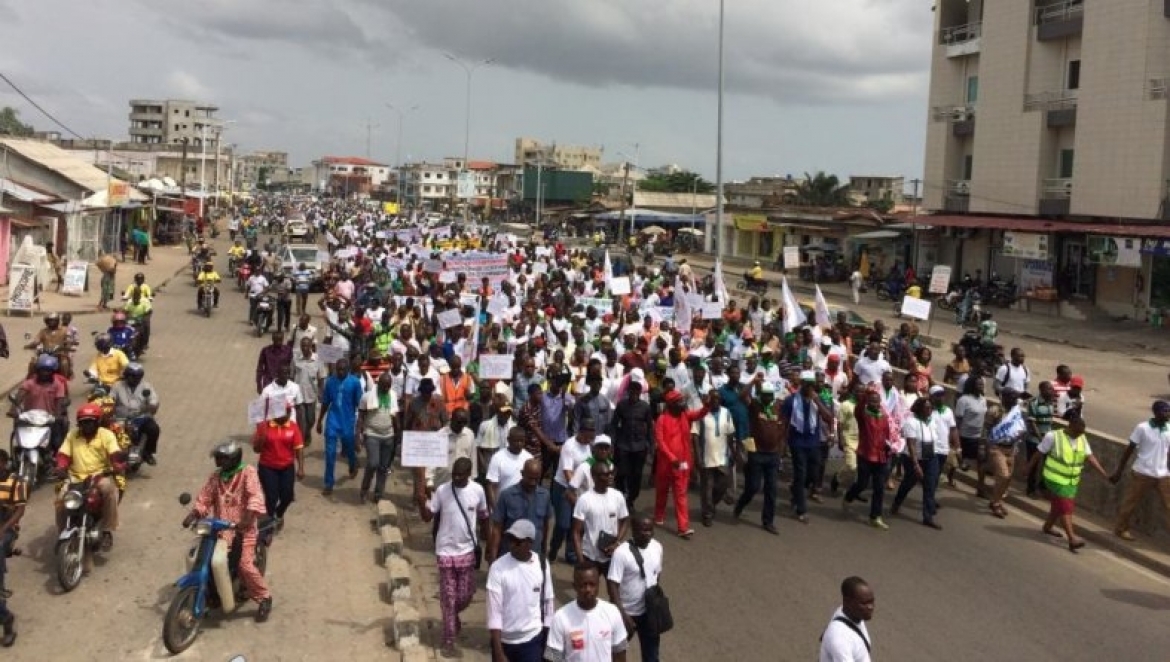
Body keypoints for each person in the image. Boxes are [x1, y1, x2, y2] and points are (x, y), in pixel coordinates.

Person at [183, 441, 273, 622]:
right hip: (218, 530)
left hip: (243, 530)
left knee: (244, 565)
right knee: (199, 559)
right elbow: (205, 497)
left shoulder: (248, 472)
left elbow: (255, 495)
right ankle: (212, 593)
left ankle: (264, 597)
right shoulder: (216, 477)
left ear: (233, 458)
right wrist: (194, 513)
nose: (218, 462)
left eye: (222, 458)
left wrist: (247, 518)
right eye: (218, 459)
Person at [418, 457, 488, 658]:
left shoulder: (478, 491)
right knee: (448, 598)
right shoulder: (442, 491)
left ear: (468, 474)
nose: (456, 478)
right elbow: (427, 517)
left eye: (460, 475)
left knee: (465, 595)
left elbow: (484, 518)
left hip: (467, 550)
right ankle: (448, 640)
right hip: (445, 551)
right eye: (454, 474)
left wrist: (489, 543)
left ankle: (452, 616)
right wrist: (422, 501)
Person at [1025, 415, 1108, 552]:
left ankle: (1048, 526)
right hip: (1054, 478)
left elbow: (1090, 457)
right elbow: (1038, 453)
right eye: (1076, 432)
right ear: (1069, 426)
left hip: (1071, 480)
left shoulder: (1081, 438)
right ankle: (1072, 538)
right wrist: (1028, 468)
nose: (1078, 435)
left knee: (1059, 505)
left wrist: (1103, 474)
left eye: (1081, 433)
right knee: (1065, 508)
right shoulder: (1053, 436)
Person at [54, 403, 124, 547]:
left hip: (99, 476)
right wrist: (60, 467)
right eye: (84, 422)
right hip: (75, 477)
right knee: (61, 501)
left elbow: (115, 453)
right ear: (79, 423)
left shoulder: (106, 435)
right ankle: (62, 532)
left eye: (90, 422)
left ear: (97, 422)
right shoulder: (72, 435)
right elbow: (63, 455)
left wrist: (117, 464)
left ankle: (106, 530)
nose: (87, 425)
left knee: (109, 491)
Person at [486, 519, 554, 662]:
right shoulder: (498, 568)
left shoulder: (541, 565)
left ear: (529, 542)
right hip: (505, 642)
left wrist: (548, 638)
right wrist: (498, 651)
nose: (512, 544)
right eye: (510, 539)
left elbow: (548, 602)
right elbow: (494, 612)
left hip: (532, 640)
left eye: (517, 541)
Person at [1111, 400, 1170, 542]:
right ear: (1156, 412)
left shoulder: (1169, 428)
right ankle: (1121, 529)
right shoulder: (1142, 428)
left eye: (1169, 411)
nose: (1168, 414)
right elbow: (1129, 449)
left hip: (1163, 474)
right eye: (1165, 411)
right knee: (1131, 502)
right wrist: (1119, 470)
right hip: (1143, 472)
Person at [606, 515, 662, 662]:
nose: (648, 533)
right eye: (644, 530)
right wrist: (623, 615)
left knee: (652, 656)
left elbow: (657, 575)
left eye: (650, 530)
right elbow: (612, 585)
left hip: (649, 613)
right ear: (634, 530)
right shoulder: (621, 553)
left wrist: (655, 603)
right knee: (615, 654)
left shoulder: (657, 547)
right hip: (627, 613)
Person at [547, 564, 629, 662]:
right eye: (583, 585)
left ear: (598, 584)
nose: (588, 589)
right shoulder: (560, 617)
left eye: (592, 584)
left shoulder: (612, 612)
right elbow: (552, 657)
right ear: (574, 586)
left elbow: (619, 653)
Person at [734, 379, 786, 535]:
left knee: (772, 489)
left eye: (770, 396)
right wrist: (754, 382)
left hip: (773, 454)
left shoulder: (778, 407)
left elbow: (782, 430)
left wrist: (781, 451)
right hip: (756, 452)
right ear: (760, 395)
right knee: (753, 487)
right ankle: (740, 505)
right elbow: (741, 395)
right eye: (765, 395)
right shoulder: (754, 406)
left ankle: (768, 521)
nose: (767, 398)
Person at [652, 389, 705, 539]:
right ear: (671, 404)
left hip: (682, 464)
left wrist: (707, 406)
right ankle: (659, 515)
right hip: (666, 464)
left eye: (683, 401)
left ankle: (683, 527)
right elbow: (660, 442)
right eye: (680, 402)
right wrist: (671, 457)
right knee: (662, 491)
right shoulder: (662, 419)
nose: (683, 404)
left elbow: (699, 414)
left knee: (681, 494)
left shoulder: (685, 415)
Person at [784, 371, 834, 524]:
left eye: (812, 385)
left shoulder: (816, 400)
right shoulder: (791, 400)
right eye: (807, 385)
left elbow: (829, 417)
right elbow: (784, 421)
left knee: (813, 474)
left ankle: (795, 492)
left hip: (813, 442)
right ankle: (801, 509)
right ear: (802, 385)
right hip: (797, 442)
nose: (810, 388)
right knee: (800, 474)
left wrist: (817, 401)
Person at [842, 386, 892, 530]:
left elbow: (886, 433)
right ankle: (849, 496)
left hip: (881, 456)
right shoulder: (863, 415)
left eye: (877, 402)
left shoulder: (883, 415)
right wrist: (866, 394)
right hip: (866, 454)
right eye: (872, 401)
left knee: (879, 487)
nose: (875, 404)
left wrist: (888, 445)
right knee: (862, 483)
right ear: (868, 402)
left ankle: (875, 516)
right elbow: (858, 408)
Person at [890, 397, 943, 529]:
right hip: (913, 458)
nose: (930, 410)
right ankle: (897, 502)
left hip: (931, 457)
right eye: (927, 408)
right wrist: (916, 465)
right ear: (919, 408)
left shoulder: (932, 421)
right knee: (909, 483)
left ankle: (928, 516)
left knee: (930, 485)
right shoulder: (911, 422)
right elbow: (911, 445)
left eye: (931, 408)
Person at [488, 458, 552, 563]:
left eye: (536, 479)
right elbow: (497, 529)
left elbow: (545, 526)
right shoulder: (507, 495)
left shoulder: (545, 496)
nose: (533, 482)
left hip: (534, 556)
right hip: (510, 556)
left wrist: (544, 550)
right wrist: (493, 558)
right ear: (522, 474)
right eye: (530, 478)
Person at [573, 461, 630, 578]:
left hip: (612, 555)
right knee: (589, 591)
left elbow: (625, 520)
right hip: (590, 555)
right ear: (594, 477)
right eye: (606, 474)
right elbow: (576, 532)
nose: (610, 477)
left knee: (614, 590)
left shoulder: (618, 496)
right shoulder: (584, 499)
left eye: (610, 473)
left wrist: (617, 542)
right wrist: (581, 561)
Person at [316, 358, 364, 497]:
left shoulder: (355, 383)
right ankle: (328, 483)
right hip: (333, 421)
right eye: (338, 369)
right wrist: (319, 421)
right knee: (330, 453)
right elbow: (326, 402)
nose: (340, 372)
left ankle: (353, 463)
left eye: (343, 369)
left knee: (349, 448)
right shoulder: (330, 381)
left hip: (348, 421)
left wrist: (360, 426)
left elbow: (359, 404)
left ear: (348, 369)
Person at [251, 409, 305, 523]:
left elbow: (299, 447)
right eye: (284, 412)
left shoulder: (293, 427)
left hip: (287, 467)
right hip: (267, 467)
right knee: (271, 497)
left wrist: (301, 467)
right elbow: (256, 449)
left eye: (288, 412)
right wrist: (261, 439)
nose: (287, 415)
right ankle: (268, 523)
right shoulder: (264, 426)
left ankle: (279, 513)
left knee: (288, 496)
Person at [611, 381, 654, 511]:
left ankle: (631, 499)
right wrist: (613, 442)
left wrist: (651, 445)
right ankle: (621, 496)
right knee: (622, 473)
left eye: (637, 393)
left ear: (640, 393)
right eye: (632, 392)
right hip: (623, 445)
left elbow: (650, 427)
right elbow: (614, 424)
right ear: (628, 392)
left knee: (636, 475)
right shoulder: (621, 405)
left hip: (640, 446)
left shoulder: (645, 407)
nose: (634, 395)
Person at [985, 388, 1027, 519]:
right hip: (997, 447)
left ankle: (998, 500)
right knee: (1003, 475)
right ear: (1005, 398)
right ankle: (995, 503)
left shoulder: (1016, 412)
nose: (1015, 400)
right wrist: (983, 447)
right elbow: (986, 429)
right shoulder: (994, 411)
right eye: (1012, 397)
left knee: (1008, 478)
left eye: (1016, 398)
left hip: (1011, 448)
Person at [358, 371, 398, 504]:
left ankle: (378, 494)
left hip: (388, 435)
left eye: (388, 386)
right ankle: (364, 489)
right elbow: (361, 416)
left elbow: (394, 416)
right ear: (378, 384)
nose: (386, 389)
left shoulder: (392, 396)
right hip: (372, 434)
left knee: (384, 467)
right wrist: (358, 434)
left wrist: (398, 435)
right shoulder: (367, 397)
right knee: (373, 463)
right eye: (384, 386)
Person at [109, 362, 162, 465]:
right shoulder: (117, 386)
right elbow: (110, 399)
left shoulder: (146, 387)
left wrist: (152, 406)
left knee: (153, 429)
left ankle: (148, 452)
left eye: (136, 376)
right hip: (120, 418)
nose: (132, 379)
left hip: (140, 417)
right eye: (130, 376)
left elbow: (154, 401)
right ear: (125, 375)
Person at [696, 390, 735, 527]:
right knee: (707, 487)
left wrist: (733, 452)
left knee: (722, 486)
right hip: (706, 458)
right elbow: (695, 436)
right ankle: (707, 514)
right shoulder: (701, 414)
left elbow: (730, 435)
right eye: (713, 399)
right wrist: (698, 456)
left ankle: (710, 505)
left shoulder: (727, 413)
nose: (716, 401)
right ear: (709, 400)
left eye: (718, 399)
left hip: (722, 457)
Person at [819, 576, 875, 662]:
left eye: (871, 601)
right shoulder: (840, 638)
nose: (870, 607)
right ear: (847, 601)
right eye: (864, 603)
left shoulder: (853, 614)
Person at [0, 450, 27, 600]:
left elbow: (20, 511)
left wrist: (3, 529)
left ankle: (1, 587)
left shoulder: (17, 481)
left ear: (4, 463)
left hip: (8, 525)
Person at [487, 427, 534, 506]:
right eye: (516, 441)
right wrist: (496, 509)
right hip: (503, 505)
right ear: (508, 440)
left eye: (521, 441)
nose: (519, 444)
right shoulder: (498, 457)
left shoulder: (529, 458)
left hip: (524, 505)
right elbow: (491, 486)